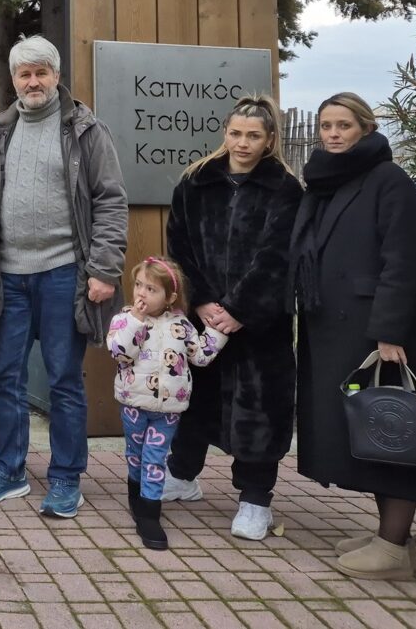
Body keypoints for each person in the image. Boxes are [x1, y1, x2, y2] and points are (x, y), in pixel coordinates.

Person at [0, 36, 128, 518]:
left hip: (64, 273)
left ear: (56, 75)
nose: (32, 82)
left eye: (40, 72)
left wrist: (103, 268)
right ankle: (10, 469)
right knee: (6, 376)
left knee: (63, 380)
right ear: (13, 80)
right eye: (23, 74)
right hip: (9, 277)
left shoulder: (85, 129)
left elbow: (111, 200)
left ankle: (65, 478)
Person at [289, 92, 416, 580]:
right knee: (367, 429)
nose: (333, 134)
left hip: (380, 330)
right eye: (327, 125)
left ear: (365, 128)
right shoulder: (327, 181)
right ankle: (391, 534)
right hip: (336, 326)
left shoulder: (390, 181)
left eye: (344, 125)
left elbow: (405, 262)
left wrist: (389, 332)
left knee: (394, 428)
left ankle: (394, 547)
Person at [162, 95, 303, 541]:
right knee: (194, 401)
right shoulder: (195, 183)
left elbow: (278, 257)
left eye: (253, 135)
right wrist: (201, 300)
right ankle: (183, 477)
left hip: (259, 326)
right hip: (204, 320)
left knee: (259, 410)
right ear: (225, 132)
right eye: (236, 133)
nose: (242, 143)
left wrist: (238, 310)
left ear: (270, 140)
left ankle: (255, 500)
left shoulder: (285, 189)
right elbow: (179, 245)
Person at [108, 256, 228, 550]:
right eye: (138, 286)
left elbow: (200, 356)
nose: (141, 294)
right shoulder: (125, 319)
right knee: (135, 456)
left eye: (151, 289)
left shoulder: (181, 325)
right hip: (134, 403)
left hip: (169, 410)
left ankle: (150, 512)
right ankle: (135, 497)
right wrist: (136, 322)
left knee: (154, 459)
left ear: (170, 296)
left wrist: (217, 330)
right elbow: (120, 353)